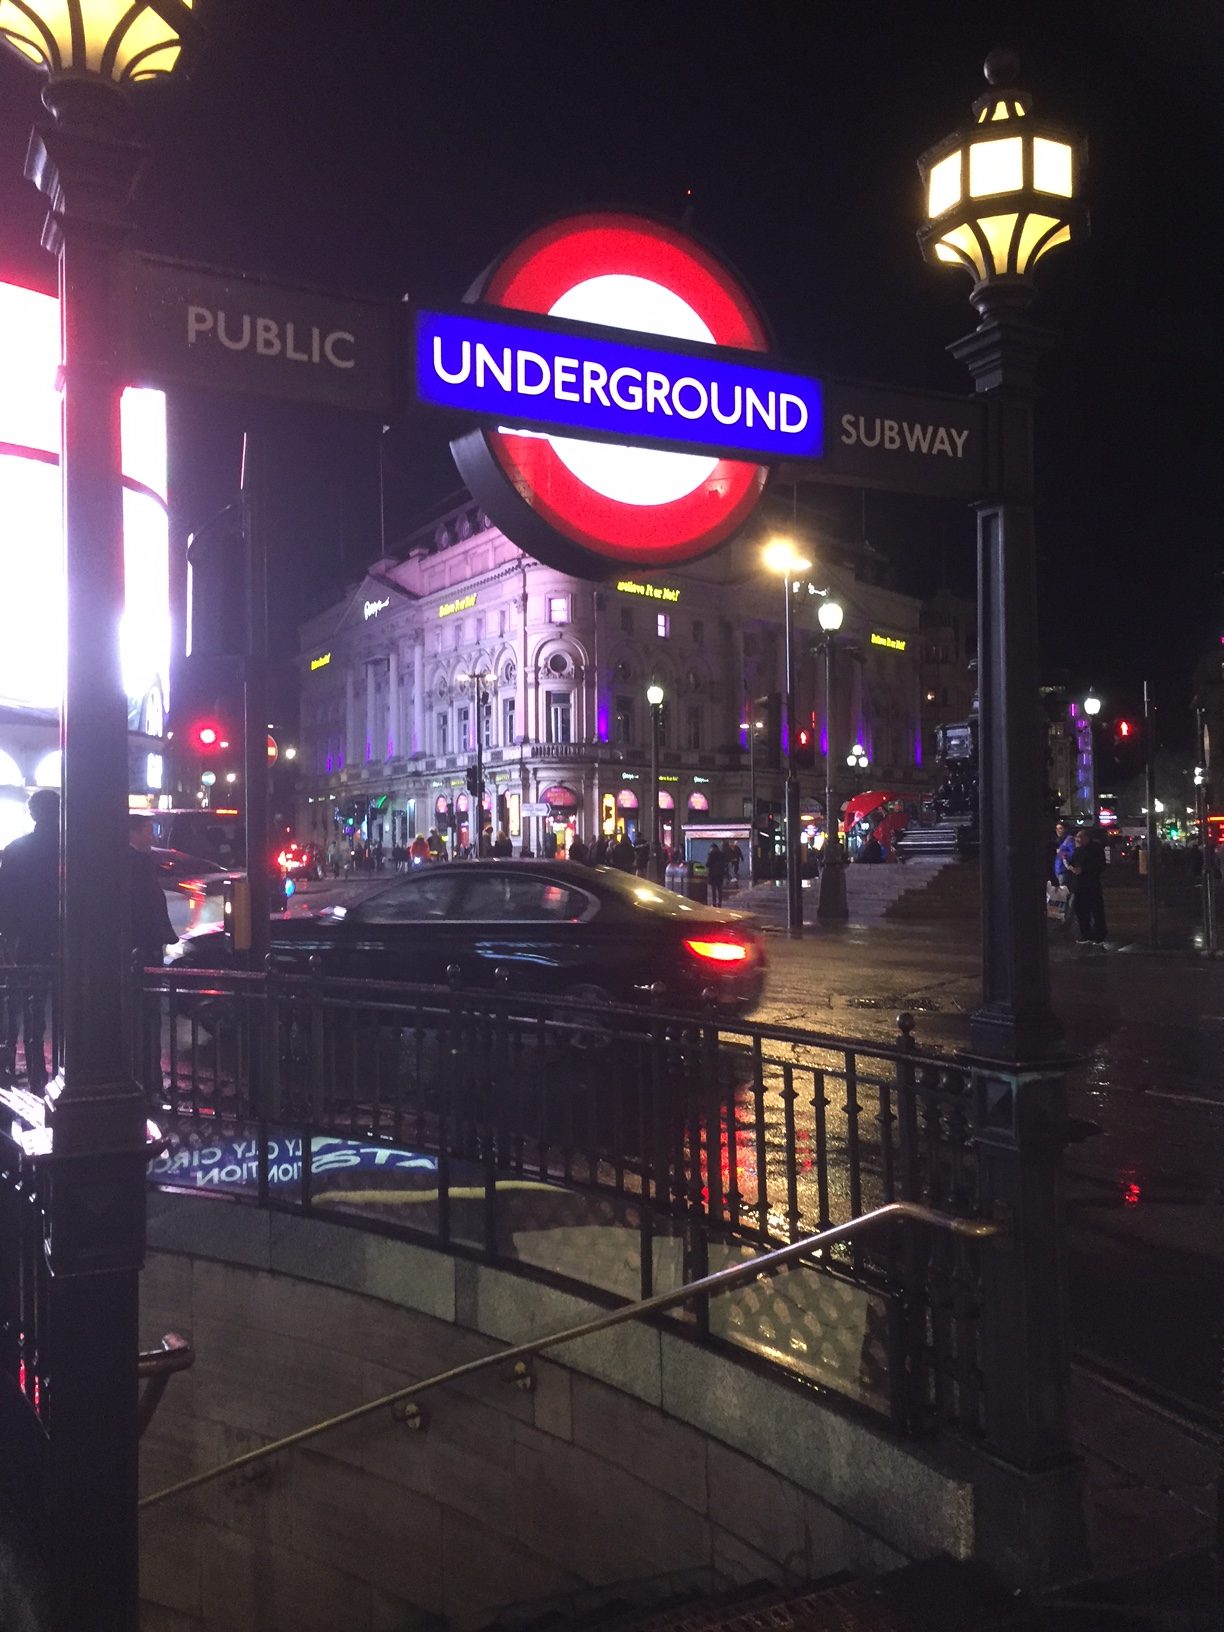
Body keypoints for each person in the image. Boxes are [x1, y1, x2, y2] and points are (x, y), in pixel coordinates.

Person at [0, 789, 60, 1089]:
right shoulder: (73, 849)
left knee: (20, 1006)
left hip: (26, 939)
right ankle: (53, 1072)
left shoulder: (16, 850)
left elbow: (6, 901)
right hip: (63, 939)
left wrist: (7, 939)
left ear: (33, 813)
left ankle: (16, 1070)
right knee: (63, 1007)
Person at [1065, 827, 1108, 947]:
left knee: (1096, 910)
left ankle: (1099, 935)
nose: (1078, 839)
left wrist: (1083, 870)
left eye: (1080, 837)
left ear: (1086, 838)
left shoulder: (1096, 849)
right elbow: (1072, 862)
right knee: (1081, 910)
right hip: (1079, 884)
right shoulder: (1079, 849)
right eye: (1077, 837)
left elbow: (1100, 866)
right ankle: (1086, 934)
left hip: (1091, 883)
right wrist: (1072, 867)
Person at [705, 840, 727, 906]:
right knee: (720, 889)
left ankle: (714, 902)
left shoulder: (711, 854)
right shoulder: (721, 854)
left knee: (713, 889)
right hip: (720, 874)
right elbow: (724, 863)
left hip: (713, 874)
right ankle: (720, 902)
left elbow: (707, 864)